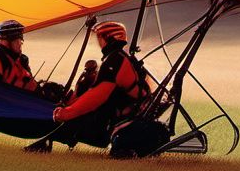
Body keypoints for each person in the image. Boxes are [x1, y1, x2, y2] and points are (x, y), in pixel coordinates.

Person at [26, 21, 148, 152]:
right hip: (121, 110)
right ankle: (50, 138)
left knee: (80, 117)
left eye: (100, 37)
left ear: (109, 38)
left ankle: (49, 139)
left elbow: (97, 95)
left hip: (127, 114)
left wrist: (68, 113)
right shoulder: (116, 57)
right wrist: (70, 105)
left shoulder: (115, 60)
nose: (98, 42)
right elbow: (93, 91)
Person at [0, 19, 39, 92]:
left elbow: (28, 85)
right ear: (6, 42)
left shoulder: (21, 60)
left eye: (21, 39)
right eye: (16, 40)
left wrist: (41, 90)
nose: (21, 43)